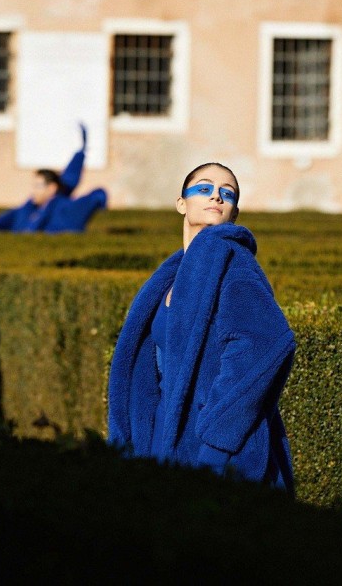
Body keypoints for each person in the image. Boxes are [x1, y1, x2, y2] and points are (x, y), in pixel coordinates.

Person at [108, 162, 296, 495]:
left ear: (234, 212)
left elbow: (266, 343)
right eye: (204, 188)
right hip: (163, 443)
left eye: (228, 193)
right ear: (182, 203)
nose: (216, 196)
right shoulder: (172, 274)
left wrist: (216, 442)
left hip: (213, 454)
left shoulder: (232, 262)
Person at [0, 124, 107, 233]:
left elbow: (95, 195)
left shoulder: (65, 210)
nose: (34, 191)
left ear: (51, 188)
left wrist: (81, 153)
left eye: (38, 186)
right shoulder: (27, 208)